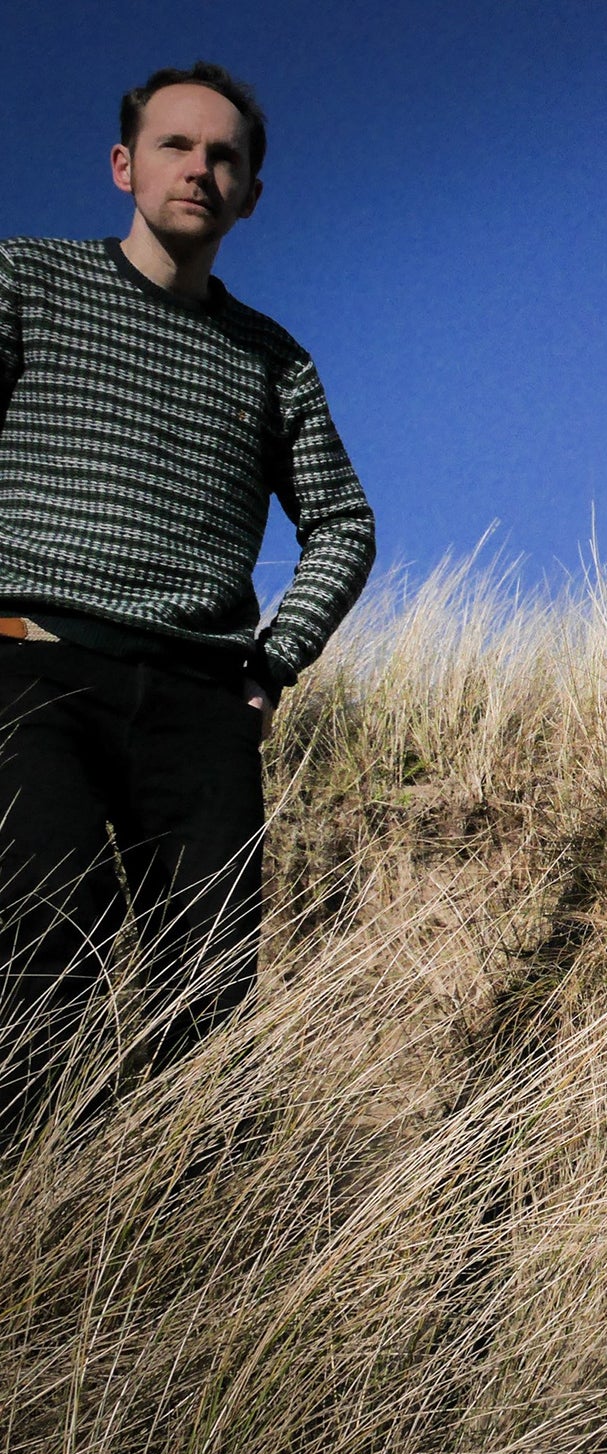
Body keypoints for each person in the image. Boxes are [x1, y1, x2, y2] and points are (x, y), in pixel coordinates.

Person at [0, 62, 375, 1134]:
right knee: (38, 955)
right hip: (29, 664)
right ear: (124, 164)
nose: (199, 169)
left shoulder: (273, 362)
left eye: (225, 155)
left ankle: (169, 1246)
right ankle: (33, 1243)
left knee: (204, 987)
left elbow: (344, 524)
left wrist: (271, 661)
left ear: (251, 191)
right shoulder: (25, 280)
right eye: (176, 145)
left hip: (201, 698)